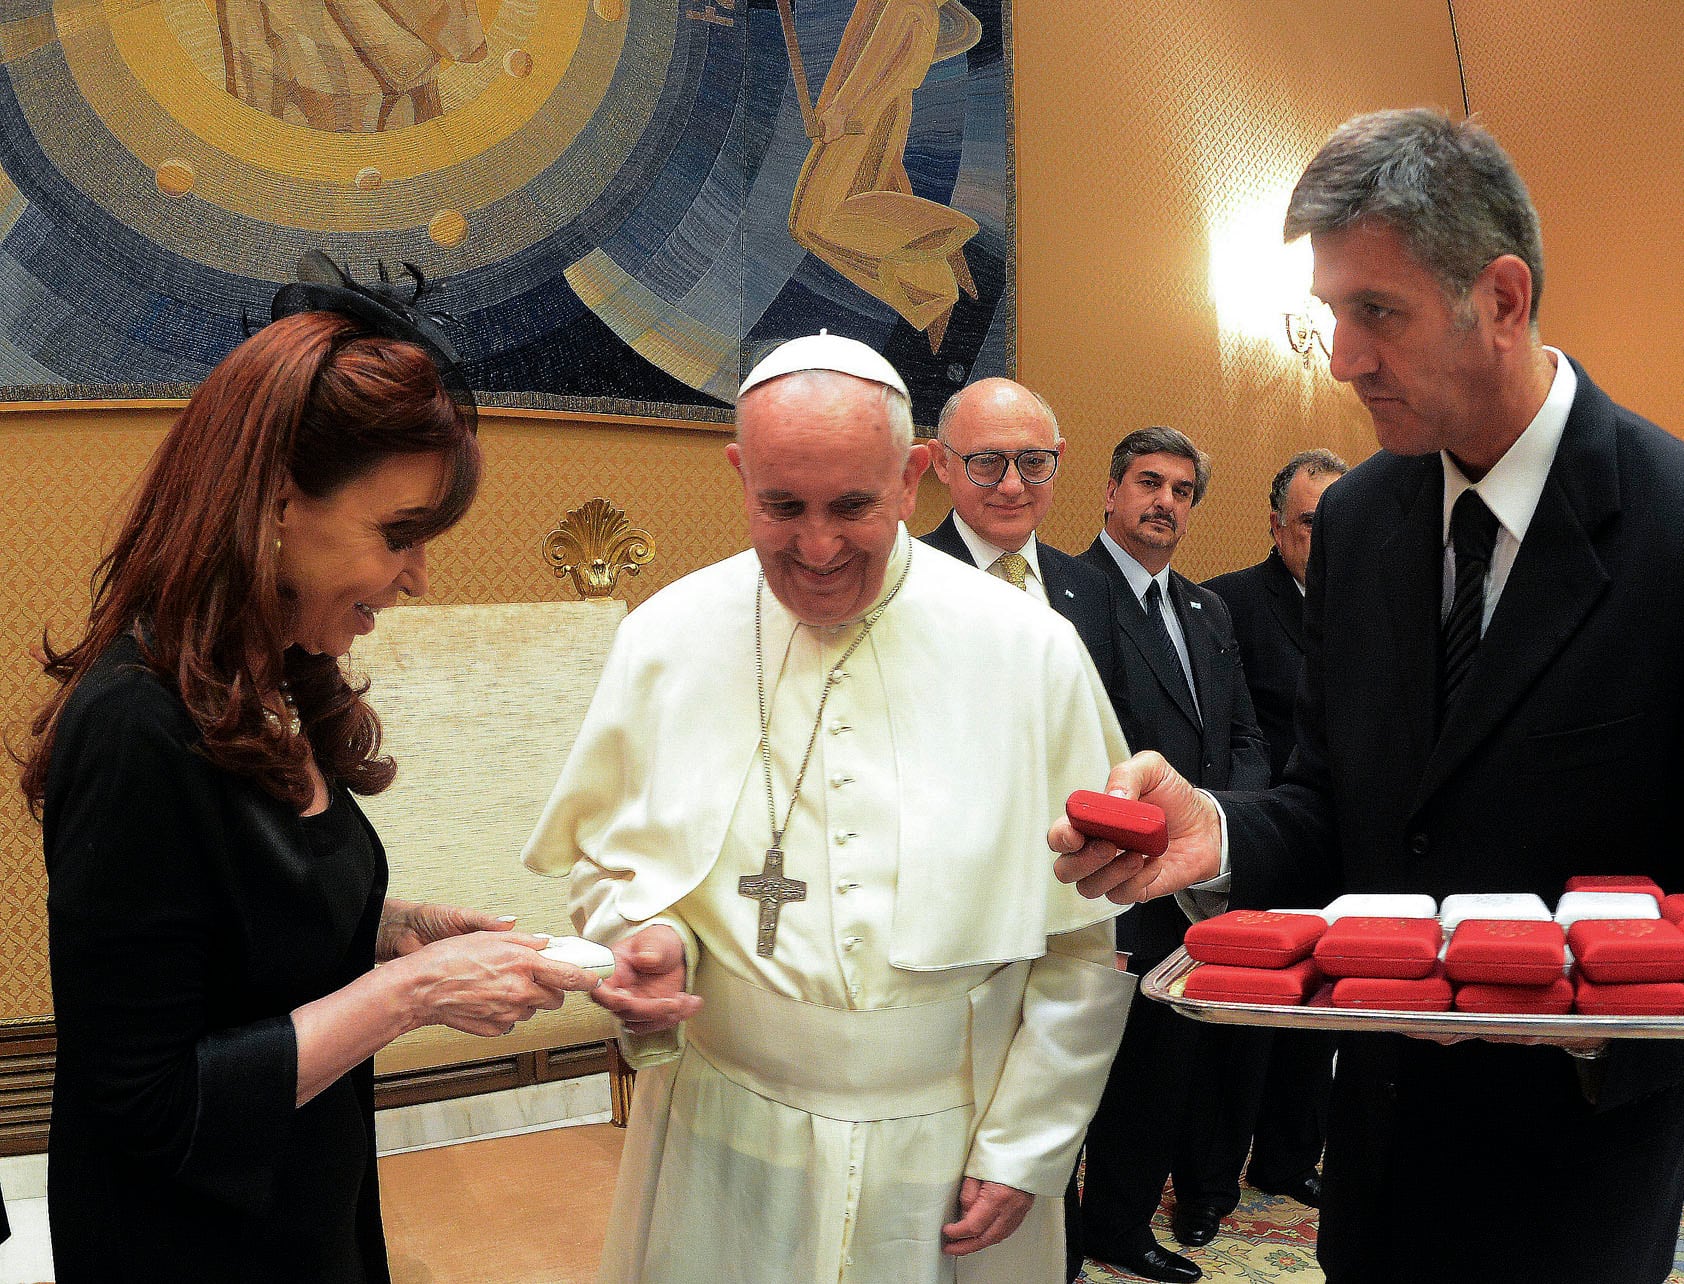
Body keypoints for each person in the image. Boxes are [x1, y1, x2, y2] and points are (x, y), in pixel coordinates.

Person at [1053, 108, 1684, 1284]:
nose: (1340, 358)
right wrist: (1219, 830)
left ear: (1499, 297)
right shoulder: (1358, 522)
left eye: (1375, 313)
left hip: (1581, 1169)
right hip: (1379, 1149)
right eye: (1331, 314)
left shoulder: (1669, 518)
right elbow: (1333, 805)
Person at [22, 269, 600, 1283]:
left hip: (302, 1209)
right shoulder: (134, 730)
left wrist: (387, 930)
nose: (418, 578)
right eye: (398, 535)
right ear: (278, 504)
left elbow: (233, 928)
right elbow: (149, 1104)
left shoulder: (276, 683)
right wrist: (411, 992)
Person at [523, 333, 1134, 1284]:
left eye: (853, 505)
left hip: (953, 1145)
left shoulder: (1031, 652)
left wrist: (1028, 1144)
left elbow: (1084, 939)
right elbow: (611, 866)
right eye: (781, 506)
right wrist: (641, 939)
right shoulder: (667, 639)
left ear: (913, 477)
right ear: (740, 475)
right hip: (722, 1126)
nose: (816, 548)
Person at [918, 376, 1126, 1283]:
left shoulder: (1090, 587)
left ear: (1060, 465)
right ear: (938, 467)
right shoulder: (901, 583)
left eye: (1032, 462)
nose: (1011, 484)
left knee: (1058, 1149)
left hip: (1079, 911)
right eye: (987, 462)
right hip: (962, 937)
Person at [1072, 427, 1270, 1282]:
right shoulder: (1069, 595)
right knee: (1083, 1076)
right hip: (1109, 878)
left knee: (1163, 1070)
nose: (1165, 502)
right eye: (1148, 483)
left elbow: (1244, 737)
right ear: (1111, 492)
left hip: (1196, 884)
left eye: (1183, 490)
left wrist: (1222, 820)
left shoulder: (1207, 609)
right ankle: (1063, 1240)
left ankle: (1120, 1227)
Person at [1177, 451, 1347, 1232]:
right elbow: (1231, 729)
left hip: (1344, 851)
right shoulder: (1230, 605)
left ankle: (1288, 1159)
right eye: (1313, 522)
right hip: (1260, 839)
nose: (1329, 536)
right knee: (1243, 1036)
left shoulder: (1381, 604)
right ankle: (1210, 1188)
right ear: (1278, 526)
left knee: (1320, 1017)